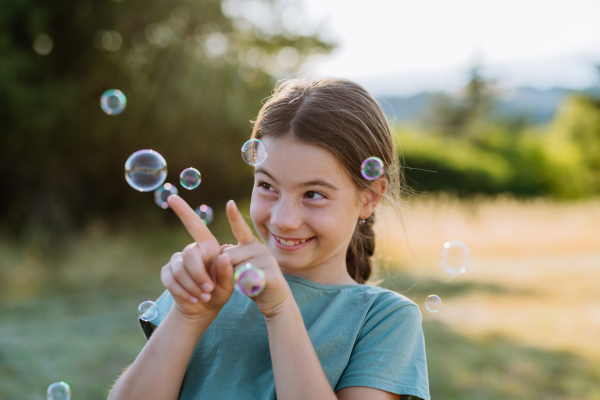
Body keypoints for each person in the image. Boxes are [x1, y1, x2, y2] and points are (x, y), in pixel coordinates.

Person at [108, 77, 430, 400]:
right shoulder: (211, 283)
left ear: (370, 197)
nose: (283, 220)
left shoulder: (384, 320)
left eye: (314, 194)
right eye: (267, 186)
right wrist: (188, 315)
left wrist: (279, 309)